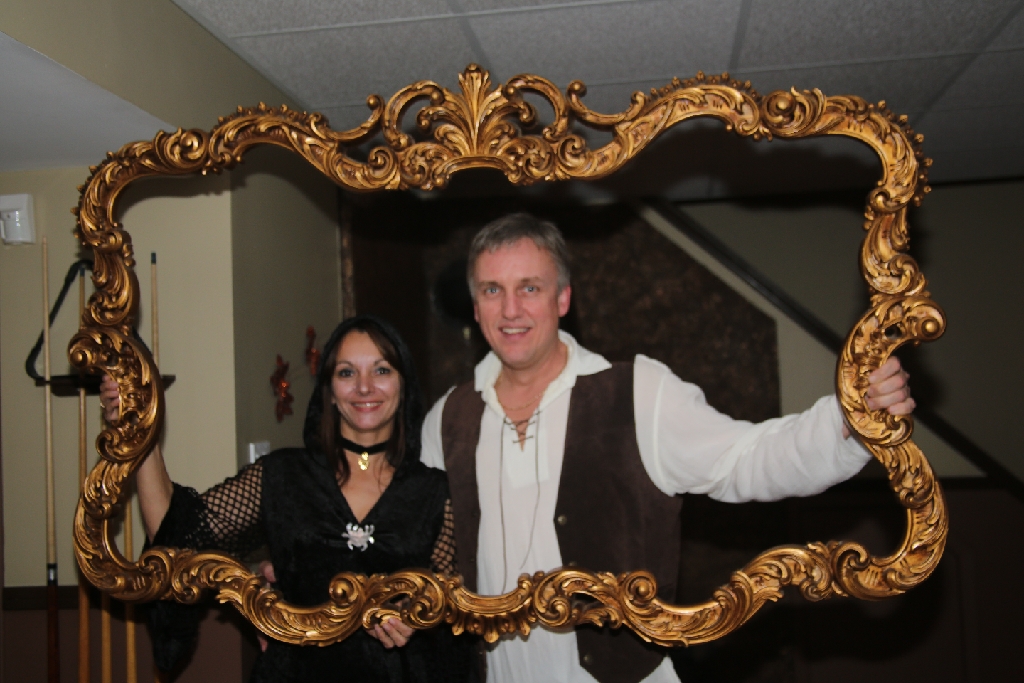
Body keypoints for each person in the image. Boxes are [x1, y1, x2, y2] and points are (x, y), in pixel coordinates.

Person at [417, 212, 915, 683]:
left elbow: (745, 459)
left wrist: (847, 418)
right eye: (492, 290)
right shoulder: (447, 419)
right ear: (475, 306)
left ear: (562, 298)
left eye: (530, 287)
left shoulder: (637, 393)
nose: (510, 309)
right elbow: (426, 547)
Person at [100, 315, 474, 683]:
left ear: (403, 385)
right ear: (328, 390)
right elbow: (175, 537)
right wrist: (139, 428)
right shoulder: (281, 477)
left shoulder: (437, 493)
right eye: (347, 372)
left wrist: (413, 614)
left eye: (381, 370)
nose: (364, 387)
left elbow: (452, 606)